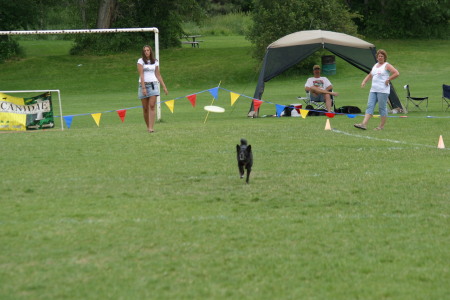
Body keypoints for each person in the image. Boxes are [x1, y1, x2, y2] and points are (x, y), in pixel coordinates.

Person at [354, 49, 399, 130]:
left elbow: (396, 73)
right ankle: (363, 124)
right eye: (379, 56)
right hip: (373, 90)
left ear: (384, 57)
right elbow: (370, 75)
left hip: (383, 90)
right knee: (369, 106)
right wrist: (364, 81)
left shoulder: (387, 65)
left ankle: (381, 126)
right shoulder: (375, 65)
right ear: (377, 57)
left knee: (382, 108)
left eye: (382, 56)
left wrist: (388, 79)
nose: (380, 57)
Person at [137, 45, 168, 133]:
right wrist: (143, 87)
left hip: (153, 85)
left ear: (151, 51)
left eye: (148, 50)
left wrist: (164, 86)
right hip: (143, 85)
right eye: (145, 50)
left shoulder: (155, 62)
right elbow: (141, 74)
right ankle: (148, 126)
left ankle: (151, 127)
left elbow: (158, 74)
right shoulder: (140, 61)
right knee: (145, 108)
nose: (146, 52)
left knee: (152, 106)